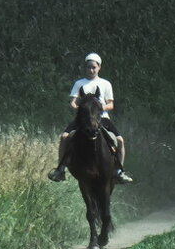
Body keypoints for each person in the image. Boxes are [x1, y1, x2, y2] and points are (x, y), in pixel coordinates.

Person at [48, 52, 134, 183]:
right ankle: (61, 169)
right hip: (82, 119)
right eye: (89, 67)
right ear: (85, 68)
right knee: (64, 137)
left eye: (94, 67)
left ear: (99, 67)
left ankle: (119, 171)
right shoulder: (79, 83)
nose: (91, 70)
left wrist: (98, 109)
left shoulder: (105, 84)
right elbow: (73, 101)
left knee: (120, 140)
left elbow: (111, 104)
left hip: (102, 118)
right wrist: (80, 108)